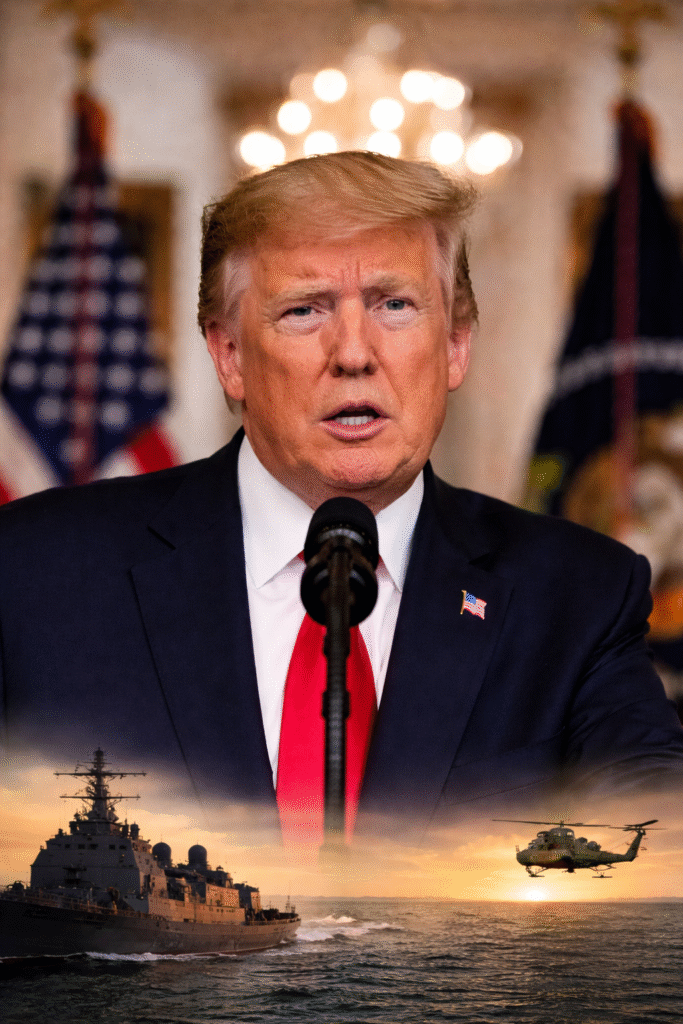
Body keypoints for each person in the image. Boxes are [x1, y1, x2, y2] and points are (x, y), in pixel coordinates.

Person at [0, 151, 681, 842]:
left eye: (394, 304)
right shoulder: (33, 575)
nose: (353, 352)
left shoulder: (576, 597)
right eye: (304, 310)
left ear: (454, 345)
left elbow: (656, 858)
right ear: (229, 353)